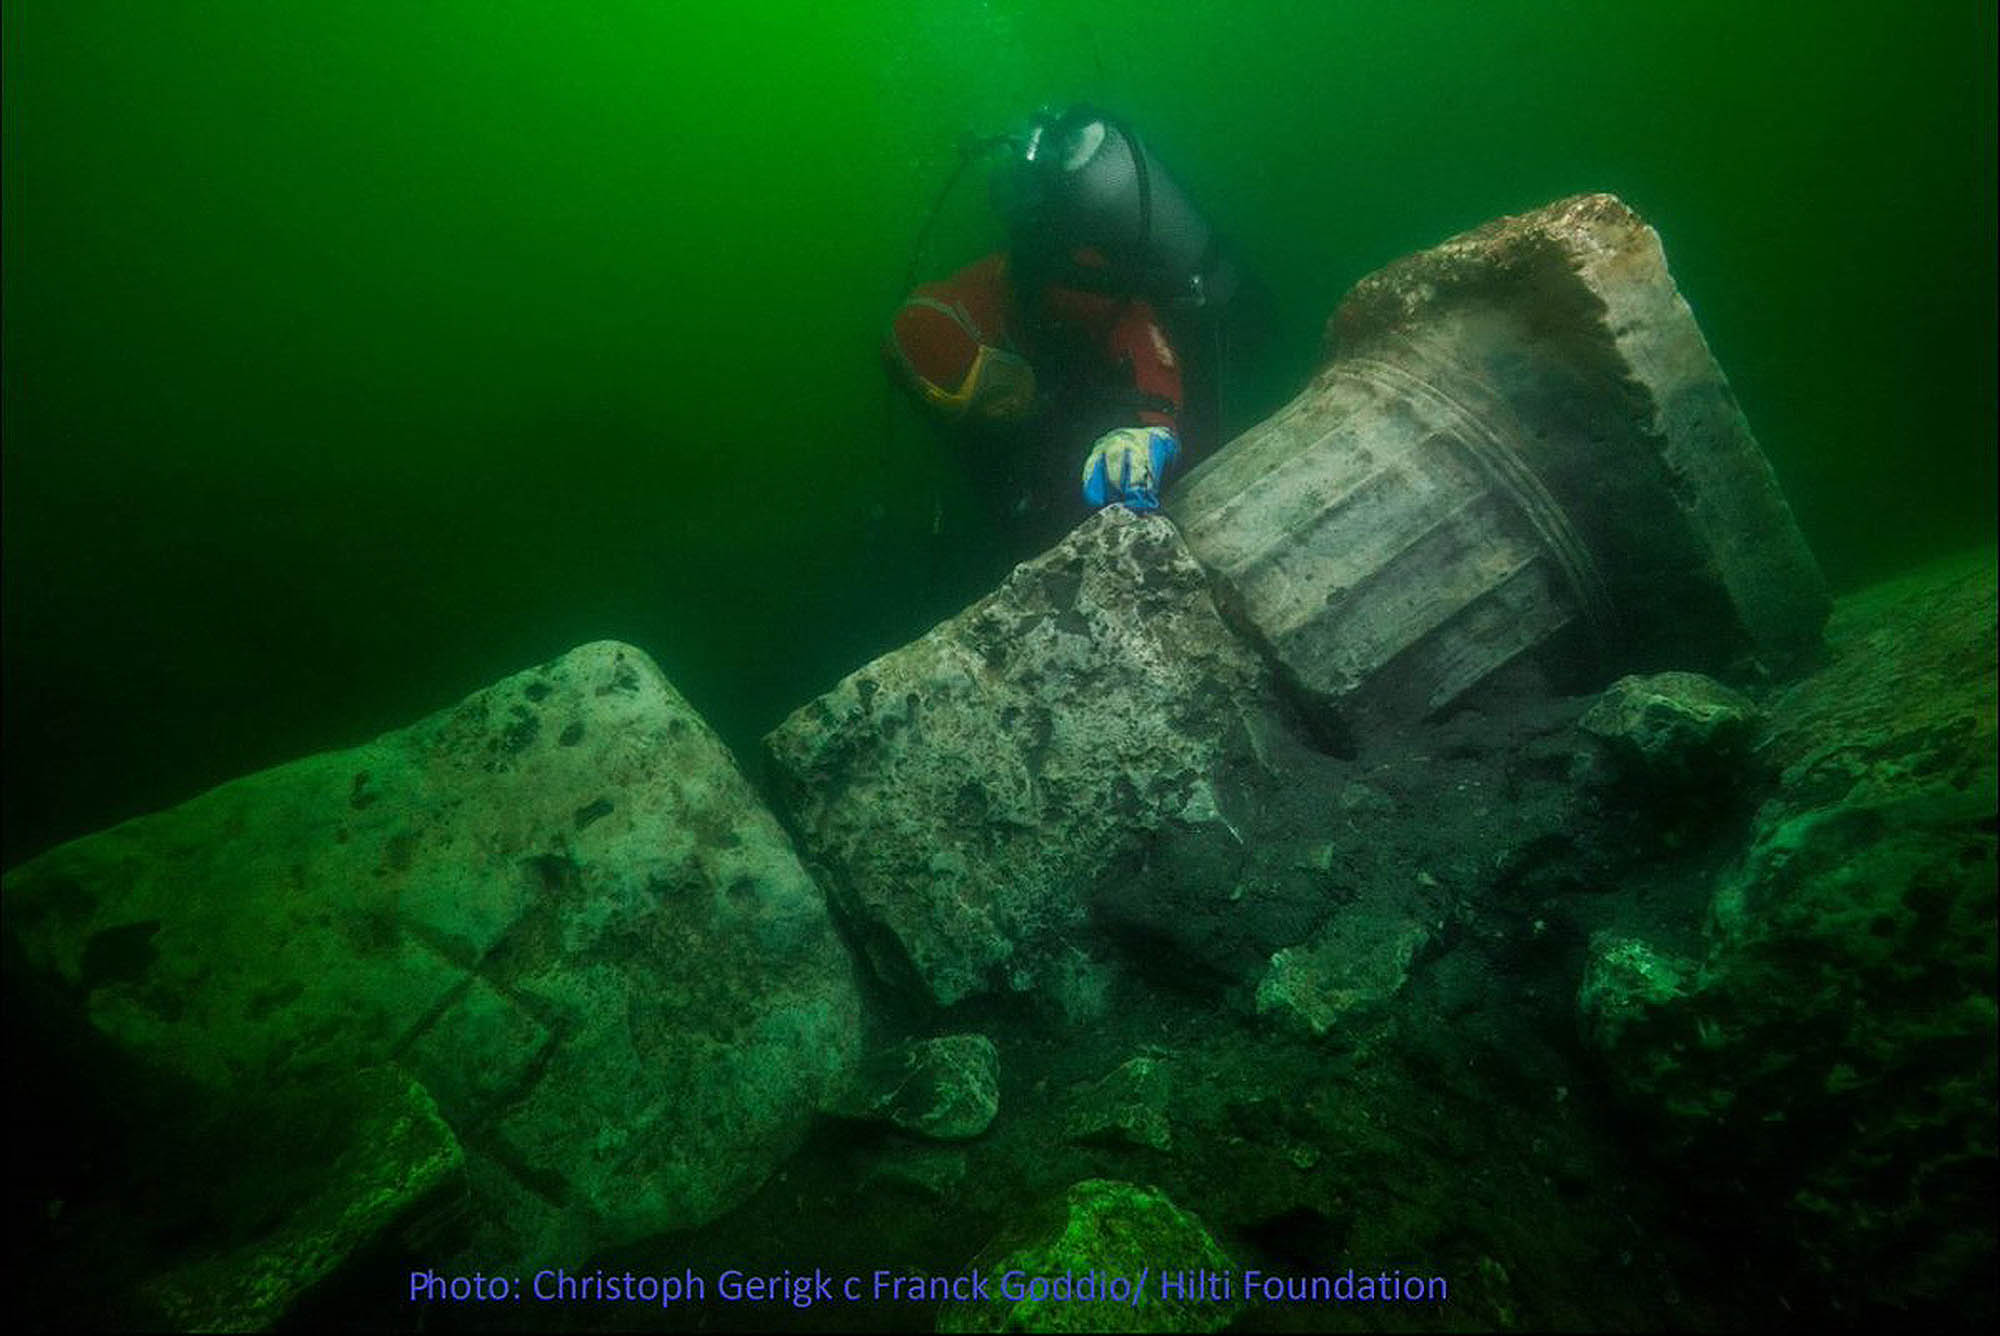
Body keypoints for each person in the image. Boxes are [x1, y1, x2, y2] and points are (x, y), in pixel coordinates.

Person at [884, 105, 1243, 552]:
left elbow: (1137, 328)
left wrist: (1151, 426)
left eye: (998, 384)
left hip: (1178, 370)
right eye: (979, 405)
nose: (1003, 407)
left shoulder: (1044, 279)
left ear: (991, 339)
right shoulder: (966, 399)